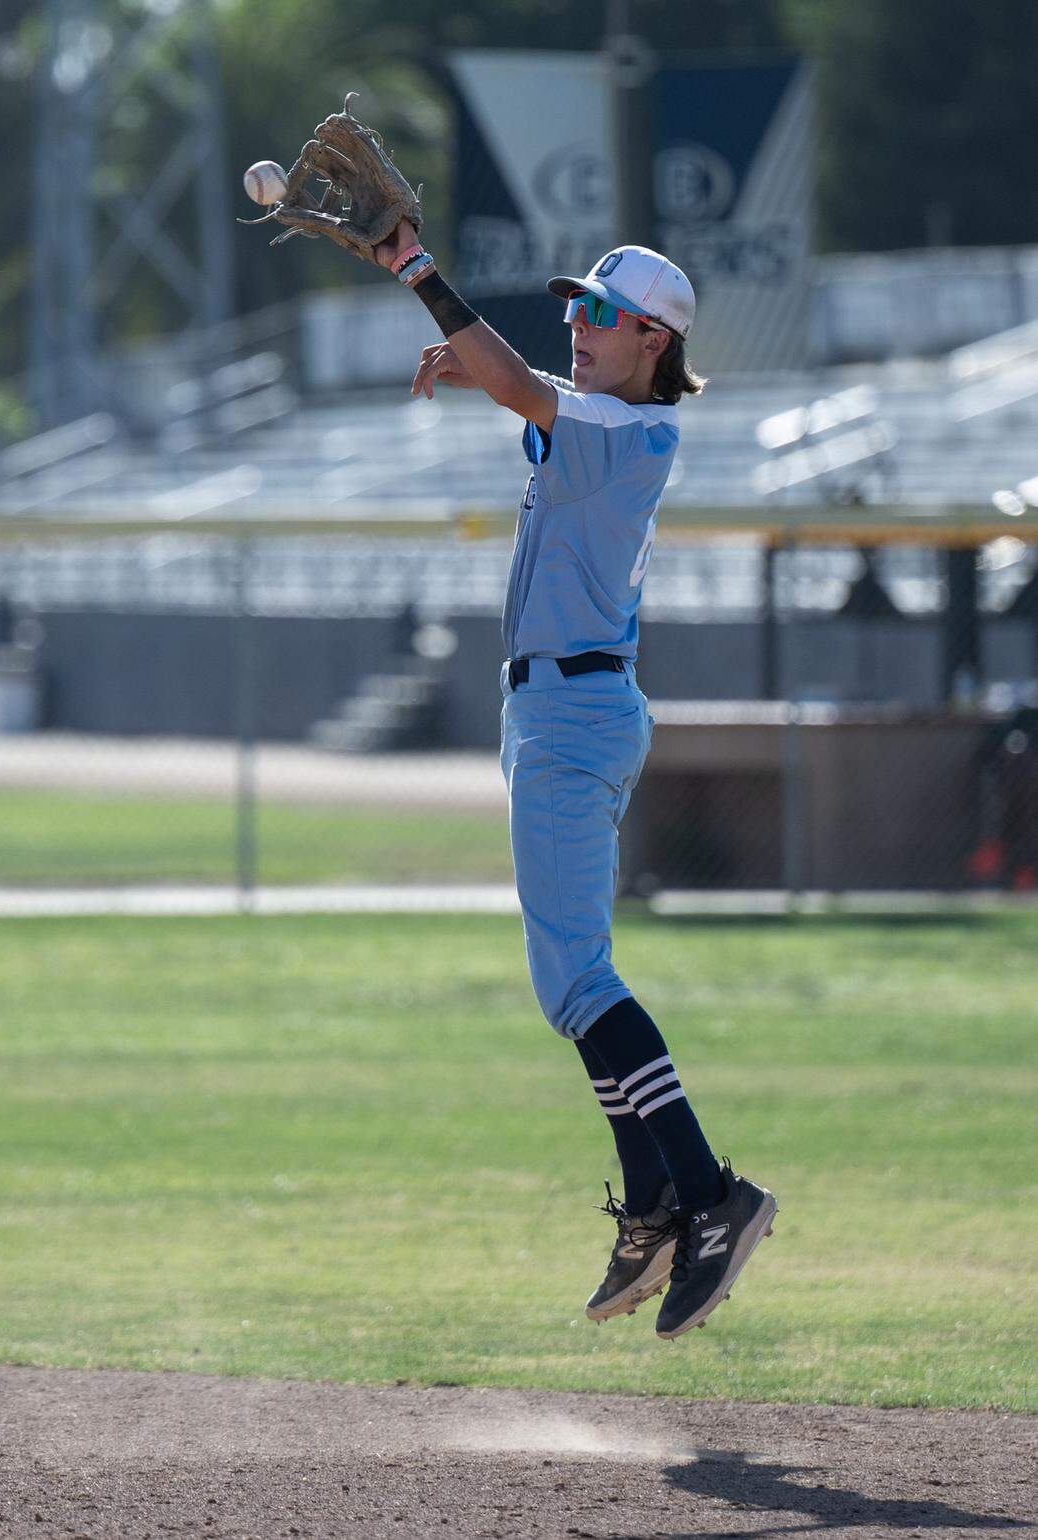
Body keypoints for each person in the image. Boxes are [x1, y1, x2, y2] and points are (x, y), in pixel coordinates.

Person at [374, 220, 777, 1339]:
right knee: (575, 982)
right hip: (560, 707)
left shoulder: (626, 431)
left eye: (597, 313)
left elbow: (525, 387)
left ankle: (704, 1195)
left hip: (570, 712)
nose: (577, 324)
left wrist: (418, 273)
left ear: (653, 339)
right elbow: (524, 385)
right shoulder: (609, 424)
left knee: (578, 988)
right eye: (573, 309)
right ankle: (655, 1202)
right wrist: (478, 359)